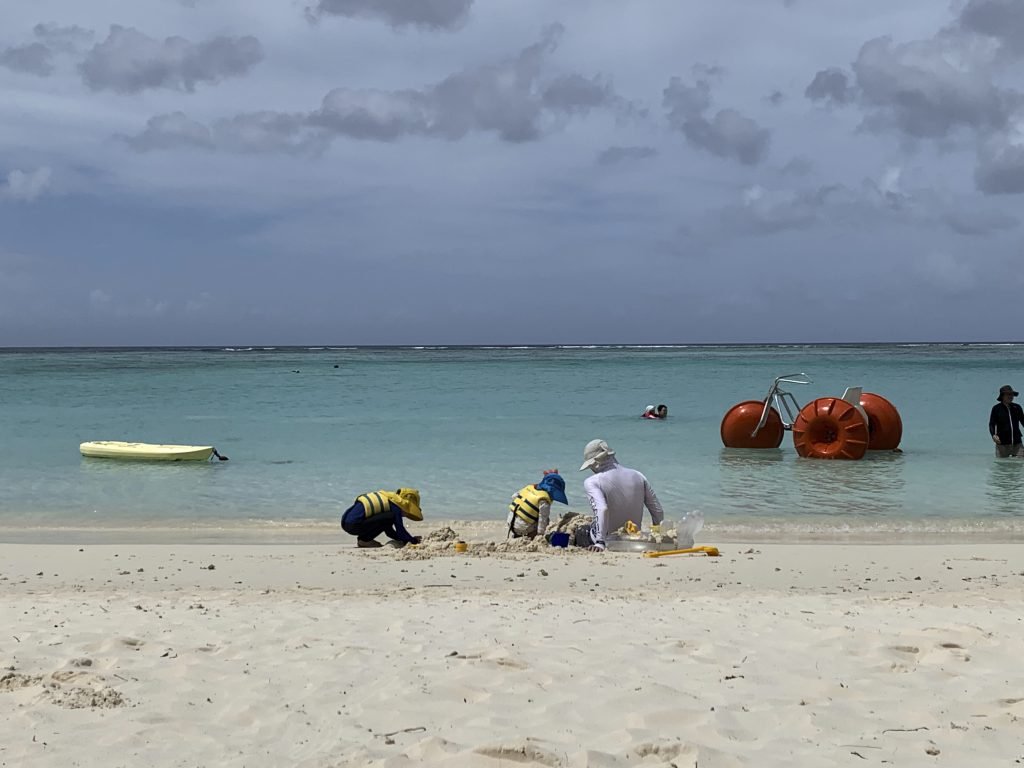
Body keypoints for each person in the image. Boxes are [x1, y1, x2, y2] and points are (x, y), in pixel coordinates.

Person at [577, 439, 664, 551]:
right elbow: (657, 510)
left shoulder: (592, 481)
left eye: (591, 467)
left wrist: (600, 542)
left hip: (610, 541)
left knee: (581, 531)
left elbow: (602, 509)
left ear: (596, 463)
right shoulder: (638, 475)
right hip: (633, 538)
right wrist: (657, 535)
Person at [341, 488, 423, 548]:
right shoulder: (396, 508)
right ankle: (365, 540)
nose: (406, 515)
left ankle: (364, 540)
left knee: (387, 519)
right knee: (390, 516)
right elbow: (400, 530)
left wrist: (405, 539)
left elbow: (389, 531)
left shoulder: (388, 499)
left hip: (345, 523)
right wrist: (413, 541)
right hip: (355, 525)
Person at [506, 470, 568, 539]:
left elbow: (514, 496)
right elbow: (542, 519)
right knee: (546, 520)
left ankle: (518, 533)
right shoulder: (544, 500)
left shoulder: (529, 487)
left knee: (531, 514)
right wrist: (540, 535)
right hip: (522, 528)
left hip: (510, 522)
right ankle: (529, 536)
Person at [990, 385, 1024, 458]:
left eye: (1012, 394)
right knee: (1002, 466)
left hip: (1017, 443)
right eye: (1008, 394)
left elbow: (1023, 421)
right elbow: (992, 424)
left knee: (1020, 465)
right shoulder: (996, 409)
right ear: (1002, 396)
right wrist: (993, 435)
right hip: (1002, 444)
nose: (1011, 396)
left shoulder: (1017, 407)